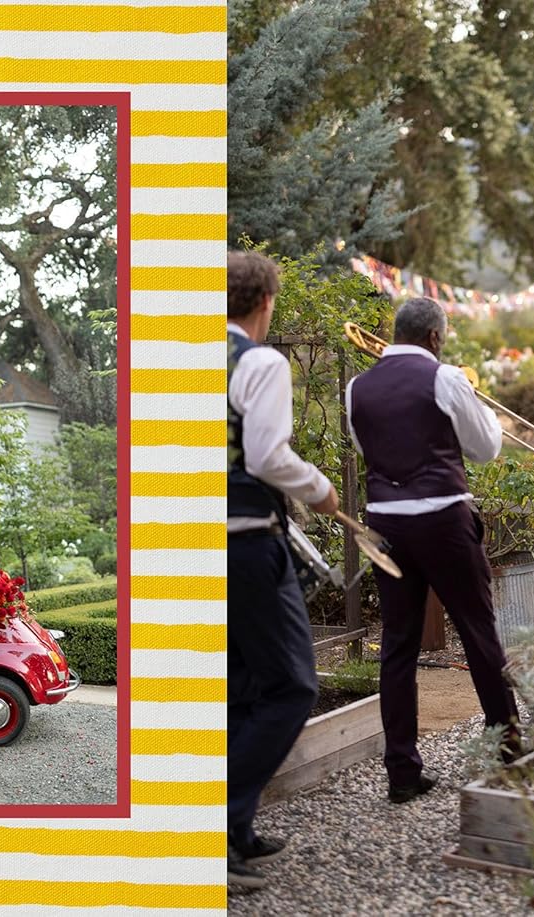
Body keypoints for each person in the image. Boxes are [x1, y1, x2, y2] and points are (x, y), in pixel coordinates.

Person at [344, 296, 522, 803]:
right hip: (444, 519)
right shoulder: (446, 380)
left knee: (397, 645)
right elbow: (485, 448)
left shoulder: (357, 388)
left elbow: (367, 448)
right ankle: (509, 748)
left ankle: (401, 771)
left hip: (386, 525)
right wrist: (474, 398)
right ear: (436, 338)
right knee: (478, 631)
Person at [226, 250, 340, 891]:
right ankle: (217, 825)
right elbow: (268, 455)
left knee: (243, 687)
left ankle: (238, 832)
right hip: (246, 544)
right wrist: (320, 489)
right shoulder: (260, 361)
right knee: (294, 686)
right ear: (265, 303)